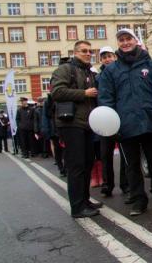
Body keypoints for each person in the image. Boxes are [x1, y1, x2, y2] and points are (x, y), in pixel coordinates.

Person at [98, 28, 152, 216]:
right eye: (121, 40)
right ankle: (138, 201)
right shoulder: (111, 70)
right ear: (118, 44)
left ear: (135, 41)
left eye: (129, 39)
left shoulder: (151, 65)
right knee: (132, 167)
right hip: (125, 126)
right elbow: (106, 99)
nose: (125, 43)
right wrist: (112, 124)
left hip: (151, 123)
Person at [51, 40, 101, 218]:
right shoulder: (65, 69)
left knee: (87, 163)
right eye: (84, 51)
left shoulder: (88, 72)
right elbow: (56, 92)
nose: (88, 54)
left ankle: (85, 200)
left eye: (90, 51)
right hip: (71, 124)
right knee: (76, 166)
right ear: (75, 53)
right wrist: (84, 94)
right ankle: (77, 207)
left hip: (87, 124)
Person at [97, 46, 128, 197]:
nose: (107, 59)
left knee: (125, 153)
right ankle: (107, 185)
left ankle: (125, 184)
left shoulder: (121, 72)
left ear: (115, 57)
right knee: (105, 154)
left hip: (121, 119)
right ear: (101, 60)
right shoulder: (97, 77)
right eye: (104, 57)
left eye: (110, 56)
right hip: (104, 121)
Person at [42, 93, 65, 177]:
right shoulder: (48, 101)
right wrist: (46, 130)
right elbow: (45, 117)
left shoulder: (63, 96)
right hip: (54, 129)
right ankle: (61, 168)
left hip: (64, 127)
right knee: (58, 149)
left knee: (65, 149)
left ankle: (66, 167)